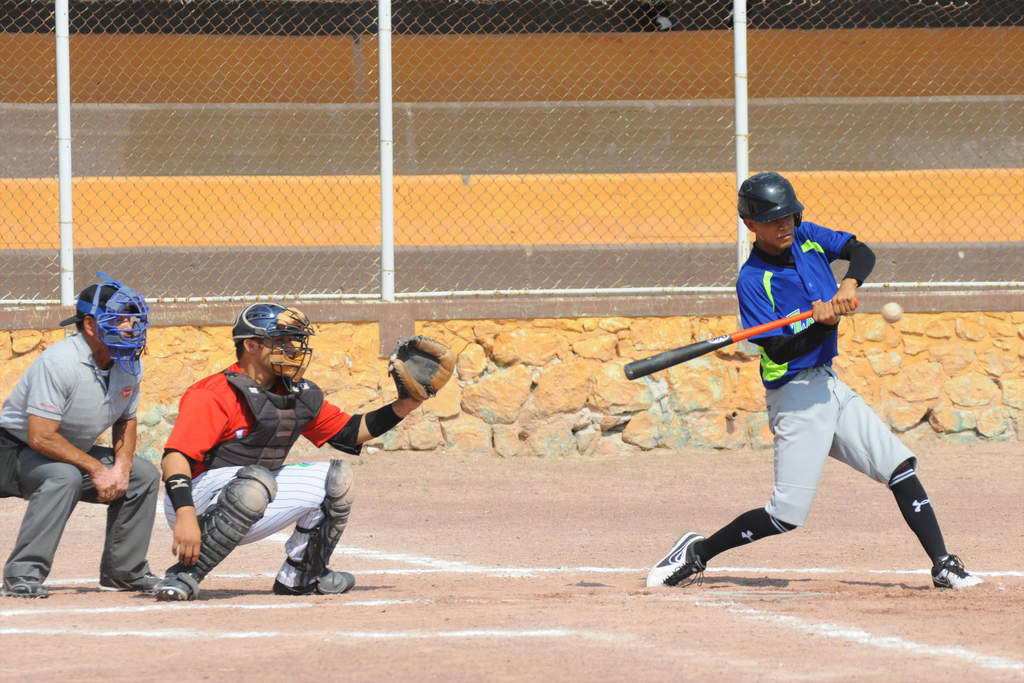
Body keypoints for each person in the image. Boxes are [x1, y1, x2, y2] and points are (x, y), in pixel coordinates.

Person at [646, 172, 982, 590]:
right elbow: (779, 351)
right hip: (795, 397)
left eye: (788, 215)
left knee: (899, 467)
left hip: (830, 385)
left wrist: (848, 283)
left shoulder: (807, 237)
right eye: (772, 220)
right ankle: (697, 553)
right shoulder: (753, 281)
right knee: (785, 515)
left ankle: (943, 565)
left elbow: (860, 251)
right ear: (750, 225)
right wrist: (823, 325)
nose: (783, 225)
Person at [153, 303, 453, 601]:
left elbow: (350, 432)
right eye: (281, 341)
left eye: (294, 340)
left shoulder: (295, 393)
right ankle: (184, 575)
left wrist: (404, 406)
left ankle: (301, 575)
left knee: (337, 478)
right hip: (195, 501)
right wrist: (185, 515)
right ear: (251, 346)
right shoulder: (213, 393)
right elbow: (175, 458)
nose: (293, 348)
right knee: (257, 481)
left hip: (253, 493)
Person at [0, 273, 160, 598]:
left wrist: (121, 468)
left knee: (143, 475)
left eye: (133, 320)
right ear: (90, 324)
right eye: (120, 320)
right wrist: (97, 469)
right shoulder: (59, 362)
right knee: (64, 477)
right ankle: (22, 575)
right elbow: (41, 437)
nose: (131, 328)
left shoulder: (129, 363)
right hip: (14, 450)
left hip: (67, 450)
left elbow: (126, 420)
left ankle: (123, 573)